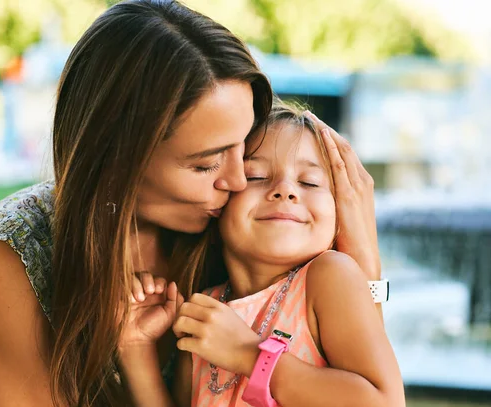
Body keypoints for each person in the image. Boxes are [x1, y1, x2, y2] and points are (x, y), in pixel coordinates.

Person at [0, 1, 383, 406]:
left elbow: (371, 385)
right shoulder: (9, 259)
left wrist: (364, 260)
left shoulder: (246, 230)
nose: (239, 180)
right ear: (117, 158)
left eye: (243, 150)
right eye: (206, 164)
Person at [124, 101, 404, 407]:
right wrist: (135, 350)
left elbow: (384, 402)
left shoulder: (328, 278)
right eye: (256, 176)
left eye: (309, 182)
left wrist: (249, 354)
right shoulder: (204, 312)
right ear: (220, 201)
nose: (285, 190)